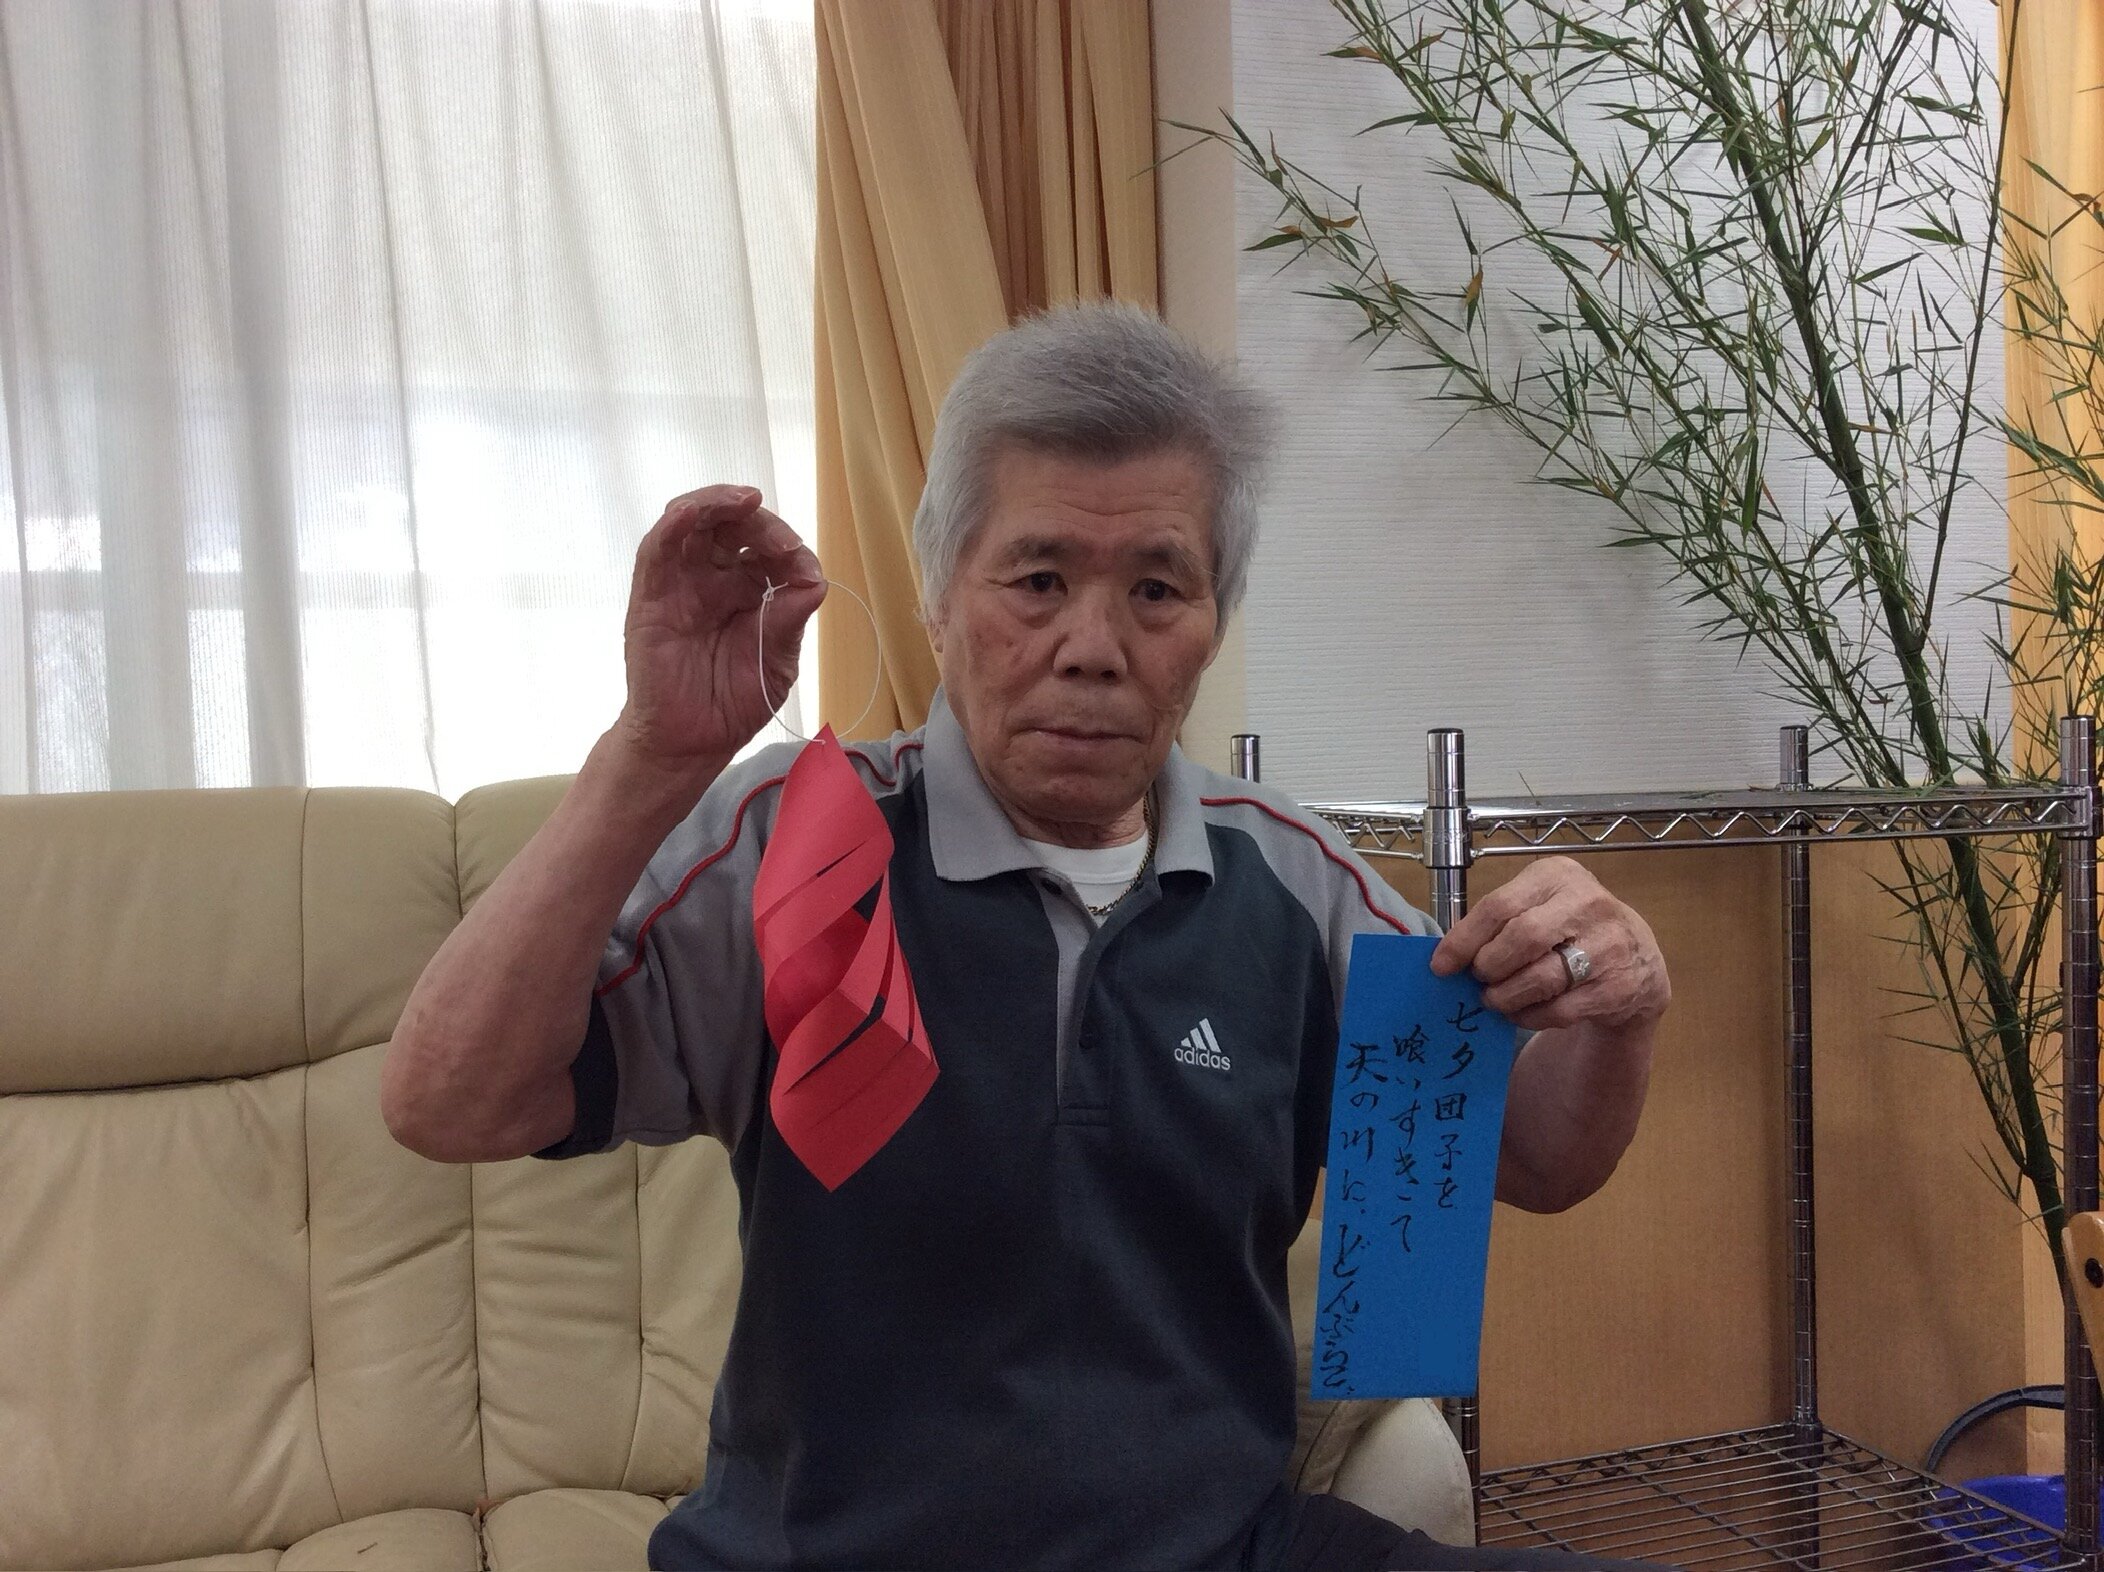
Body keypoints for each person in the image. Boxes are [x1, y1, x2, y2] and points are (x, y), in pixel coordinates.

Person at [381, 302, 1675, 1572]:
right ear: (940, 598)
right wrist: (652, 753)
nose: (1093, 648)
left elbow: (1539, 1157)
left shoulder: (1294, 881)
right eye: (1039, 581)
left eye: (1156, 589)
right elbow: (450, 1101)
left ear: (1213, 624)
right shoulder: (796, 841)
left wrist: (1623, 1009)